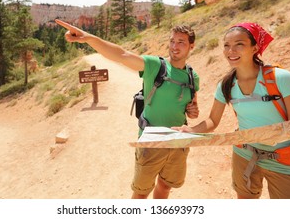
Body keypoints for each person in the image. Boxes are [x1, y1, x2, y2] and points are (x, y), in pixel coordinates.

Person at [174, 22, 290, 199]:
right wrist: (190, 131)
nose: (231, 51)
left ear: (255, 48)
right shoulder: (225, 85)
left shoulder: (281, 78)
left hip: (284, 159)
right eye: (227, 46)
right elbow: (213, 121)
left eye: (239, 44)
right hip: (244, 154)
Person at [56, 20, 200, 199]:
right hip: (150, 142)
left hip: (178, 143)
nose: (174, 46)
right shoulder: (156, 66)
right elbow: (122, 54)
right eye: (172, 41)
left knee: (165, 187)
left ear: (191, 46)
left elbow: (193, 107)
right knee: (141, 193)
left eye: (181, 42)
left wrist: (193, 111)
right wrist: (89, 38)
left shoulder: (192, 76)